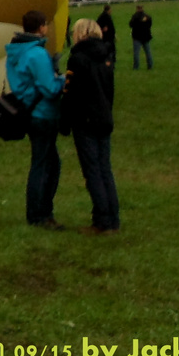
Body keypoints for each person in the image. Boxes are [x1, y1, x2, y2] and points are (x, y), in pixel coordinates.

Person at [6, 9, 66, 230]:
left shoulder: (16, 51)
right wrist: (62, 80)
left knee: (44, 163)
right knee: (45, 165)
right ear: (41, 26)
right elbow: (49, 89)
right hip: (42, 114)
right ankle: (39, 214)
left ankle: (39, 212)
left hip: (28, 112)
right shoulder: (37, 54)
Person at [62, 18, 119, 235]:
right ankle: (113, 218)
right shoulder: (106, 57)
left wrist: (64, 121)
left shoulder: (78, 59)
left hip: (85, 119)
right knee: (105, 169)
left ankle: (102, 220)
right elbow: (109, 91)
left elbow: (71, 93)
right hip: (104, 117)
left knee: (92, 171)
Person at [128, 5, 153, 70]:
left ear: (137, 9)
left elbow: (130, 24)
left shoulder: (135, 17)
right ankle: (150, 65)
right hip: (146, 36)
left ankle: (136, 67)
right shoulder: (147, 17)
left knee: (136, 53)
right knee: (148, 52)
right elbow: (150, 24)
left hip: (137, 37)